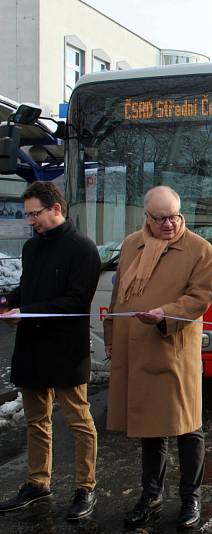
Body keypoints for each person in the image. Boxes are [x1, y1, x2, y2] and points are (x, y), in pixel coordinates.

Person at [103, 185, 212, 530]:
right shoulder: (131, 244)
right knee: (150, 430)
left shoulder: (199, 249)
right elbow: (119, 293)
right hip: (135, 347)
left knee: (187, 428)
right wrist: (111, 338)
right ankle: (150, 496)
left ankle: (190, 498)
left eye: (175, 217)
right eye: (160, 218)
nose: (169, 224)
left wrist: (165, 314)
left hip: (173, 348)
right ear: (147, 217)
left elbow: (201, 297)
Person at [0, 182, 101, 520]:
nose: (31, 221)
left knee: (78, 420)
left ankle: (86, 488)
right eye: (27, 214)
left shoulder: (83, 248)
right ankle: (38, 483)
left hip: (66, 349)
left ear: (55, 208)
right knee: (36, 420)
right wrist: (10, 301)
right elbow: (28, 288)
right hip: (31, 347)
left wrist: (26, 312)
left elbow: (76, 300)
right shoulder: (32, 248)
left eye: (34, 214)